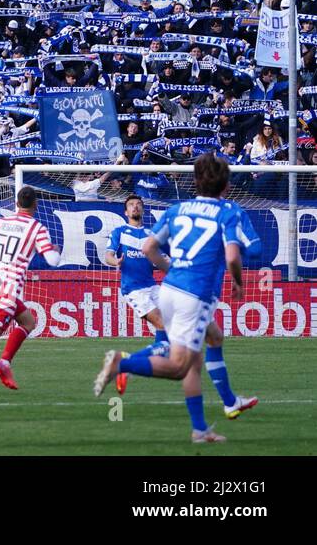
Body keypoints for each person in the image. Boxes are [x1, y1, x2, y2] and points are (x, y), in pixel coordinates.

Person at [94, 153, 260, 441]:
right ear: (226, 186)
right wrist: (238, 282)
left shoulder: (177, 209)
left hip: (169, 288)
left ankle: (203, 426)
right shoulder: (228, 212)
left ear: (195, 181)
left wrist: (173, 268)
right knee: (179, 366)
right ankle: (123, 364)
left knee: (212, 340)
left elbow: (148, 248)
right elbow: (233, 255)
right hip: (194, 295)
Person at [0, 187, 61, 390]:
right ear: (35, 204)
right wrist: (55, 250)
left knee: (28, 321)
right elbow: (52, 260)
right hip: (7, 286)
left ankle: (4, 362)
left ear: (16, 203)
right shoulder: (37, 228)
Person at [102, 195, 170, 394]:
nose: (135, 207)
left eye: (139, 205)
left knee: (171, 330)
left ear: (143, 210)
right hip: (133, 288)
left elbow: (168, 256)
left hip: (153, 286)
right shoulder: (119, 232)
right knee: (162, 323)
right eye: (131, 205)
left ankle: (136, 364)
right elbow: (108, 255)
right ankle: (127, 363)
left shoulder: (152, 234)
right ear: (125, 212)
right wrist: (116, 262)